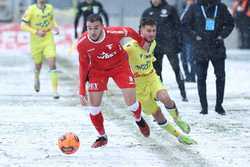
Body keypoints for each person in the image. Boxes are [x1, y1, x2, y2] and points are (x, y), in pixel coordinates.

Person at [77, 14, 150, 148]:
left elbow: (129, 30)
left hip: (120, 67)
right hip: (98, 71)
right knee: (93, 108)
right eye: (89, 28)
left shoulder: (114, 32)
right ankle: (102, 136)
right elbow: (83, 66)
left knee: (131, 104)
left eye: (96, 28)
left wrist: (141, 42)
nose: (93, 32)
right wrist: (81, 89)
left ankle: (139, 120)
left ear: (102, 27)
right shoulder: (82, 43)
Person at [124, 18, 196, 145]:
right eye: (148, 31)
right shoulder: (130, 48)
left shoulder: (153, 43)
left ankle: (178, 119)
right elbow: (115, 58)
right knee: (157, 114)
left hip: (151, 78)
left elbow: (148, 57)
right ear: (140, 30)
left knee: (165, 97)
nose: (151, 33)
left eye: (153, 30)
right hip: (138, 86)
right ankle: (179, 136)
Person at [182, 0, 234, 115]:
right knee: (201, 78)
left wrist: (222, 36)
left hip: (217, 47)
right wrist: (195, 36)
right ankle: (204, 107)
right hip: (201, 48)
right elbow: (184, 24)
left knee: (220, 77)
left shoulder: (220, 7)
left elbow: (231, 23)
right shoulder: (195, 7)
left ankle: (219, 106)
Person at [141, 0, 188, 101]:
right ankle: (160, 94)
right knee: (157, 72)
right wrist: (143, 44)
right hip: (155, 47)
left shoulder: (170, 9)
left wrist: (179, 43)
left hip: (170, 46)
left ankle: (183, 93)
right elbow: (141, 30)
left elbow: (178, 27)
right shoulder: (147, 12)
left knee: (176, 69)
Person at [21, 0, 60, 99]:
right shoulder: (31, 9)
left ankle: (55, 91)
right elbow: (23, 25)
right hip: (36, 42)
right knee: (38, 65)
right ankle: (36, 77)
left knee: (52, 62)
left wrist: (55, 27)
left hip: (48, 39)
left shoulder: (50, 7)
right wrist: (36, 32)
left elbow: (52, 20)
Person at [180, 0, 196, 82]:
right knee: (183, 58)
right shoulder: (182, 7)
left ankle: (192, 76)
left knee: (191, 58)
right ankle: (187, 75)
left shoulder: (196, 9)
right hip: (181, 37)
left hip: (190, 37)